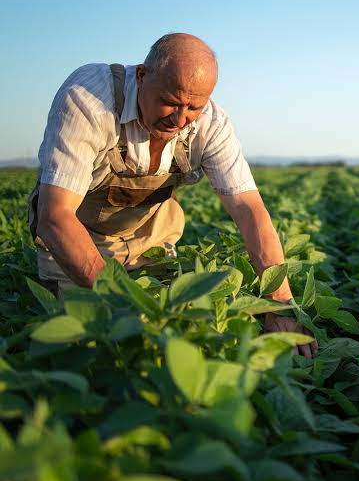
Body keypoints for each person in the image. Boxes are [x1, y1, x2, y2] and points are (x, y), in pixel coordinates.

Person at [28, 32, 318, 358]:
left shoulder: (211, 124)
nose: (180, 119)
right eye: (171, 101)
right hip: (77, 242)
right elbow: (55, 217)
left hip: (151, 240)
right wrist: (126, 306)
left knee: (179, 340)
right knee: (89, 346)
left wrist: (278, 305)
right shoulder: (89, 100)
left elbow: (249, 210)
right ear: (141, 76)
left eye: (194, 107)